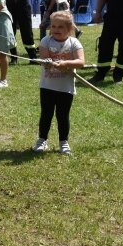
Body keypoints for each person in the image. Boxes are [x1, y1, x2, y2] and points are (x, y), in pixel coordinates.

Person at [32, 11, 85, 155]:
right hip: (47, 86)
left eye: (60, 27)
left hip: (65, 88)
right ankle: (42, 140)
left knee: (63, 115)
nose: (56, 29)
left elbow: (81, 62)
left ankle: (64, 142)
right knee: (46, 114)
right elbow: (44, 59)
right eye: (53, 26)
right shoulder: (45, 41)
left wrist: (66, 63)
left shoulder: (74, 43)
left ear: (69, 29)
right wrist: (47, 63)